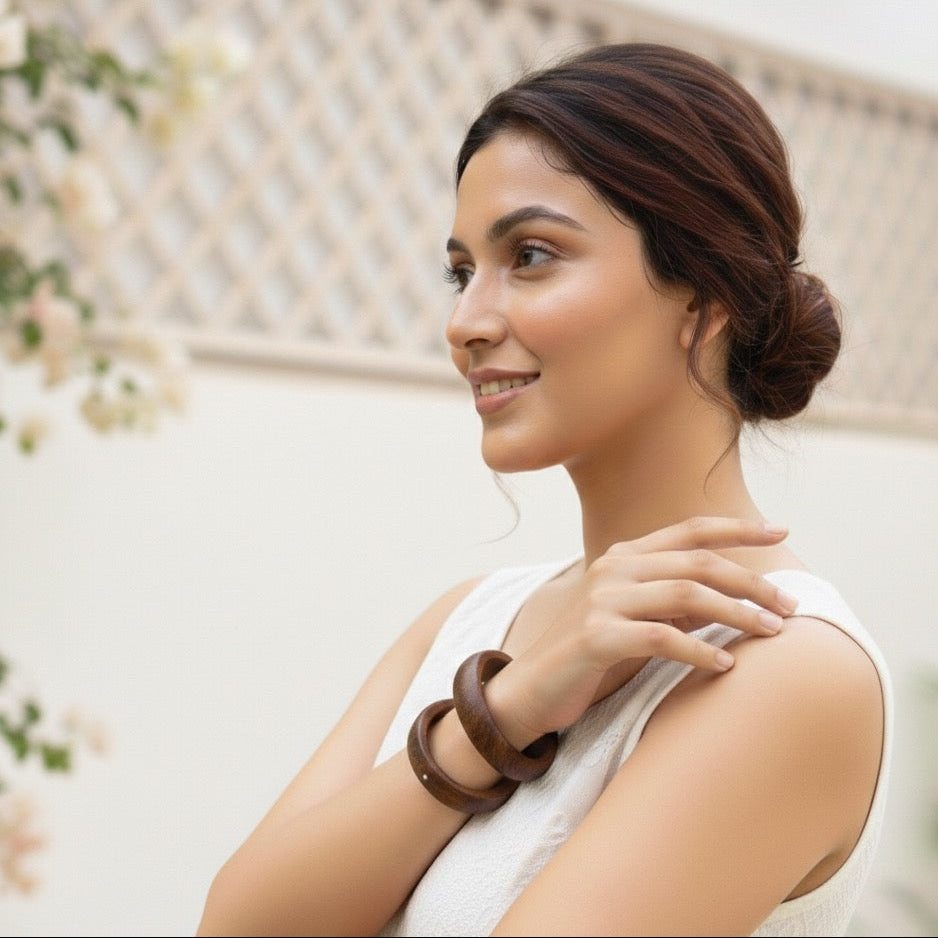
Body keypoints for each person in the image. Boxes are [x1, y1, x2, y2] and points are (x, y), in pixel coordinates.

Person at [196, 42, 892, 937]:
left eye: (530, 255)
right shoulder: (470, 619)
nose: (465, 322)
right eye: (461, 272)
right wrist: (506, 711)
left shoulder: (785, 667)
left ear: (704, 297)